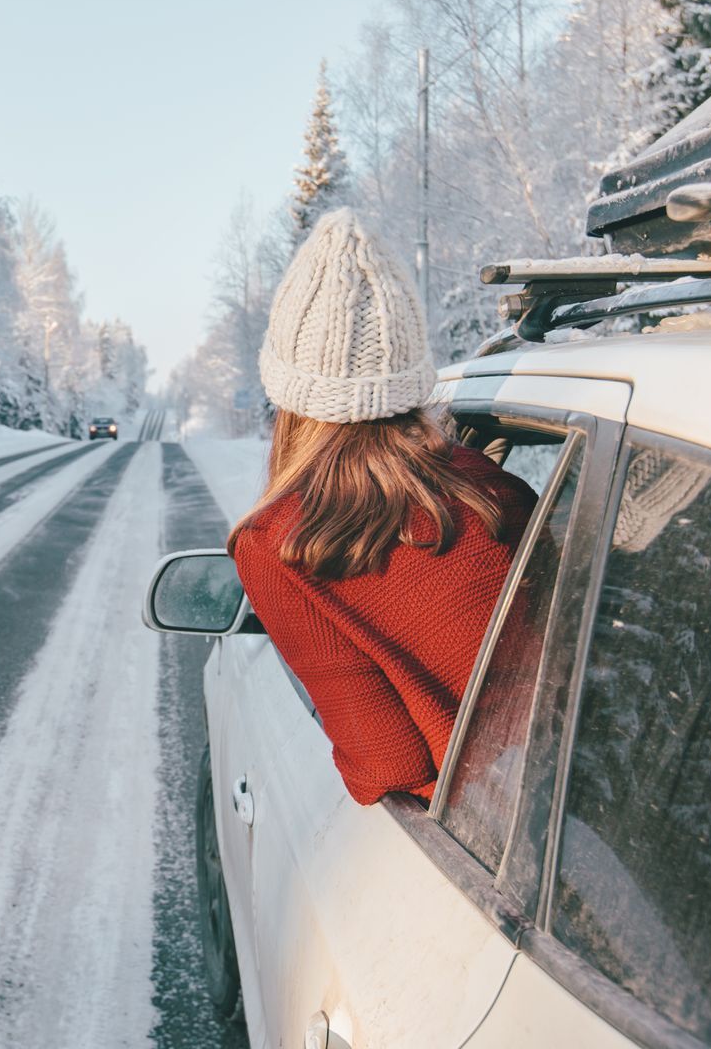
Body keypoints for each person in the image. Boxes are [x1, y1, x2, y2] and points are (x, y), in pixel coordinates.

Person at [228, 210, 537, 806]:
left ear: (289, 395)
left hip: (477, 824)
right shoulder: (493, 492)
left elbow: (389, 764)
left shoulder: (277, 545)